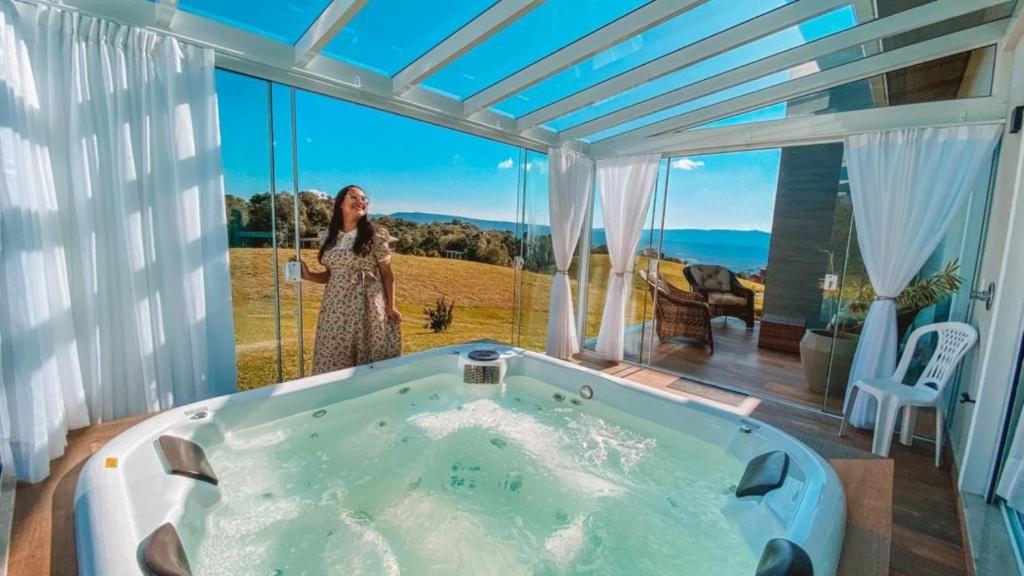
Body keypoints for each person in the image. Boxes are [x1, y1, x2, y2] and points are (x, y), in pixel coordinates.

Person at [293, 185, 402, 374]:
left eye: (364, 198)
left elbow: (387, 274)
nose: (361, 201)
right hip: (335, 307)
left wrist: (391, 306)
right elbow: (331, 274)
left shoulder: (375, 235)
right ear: (340, 204)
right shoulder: (328, 237)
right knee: (333, 354)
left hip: (367, 304)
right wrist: (308, 275)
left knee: (368, 357)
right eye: (354, 197)